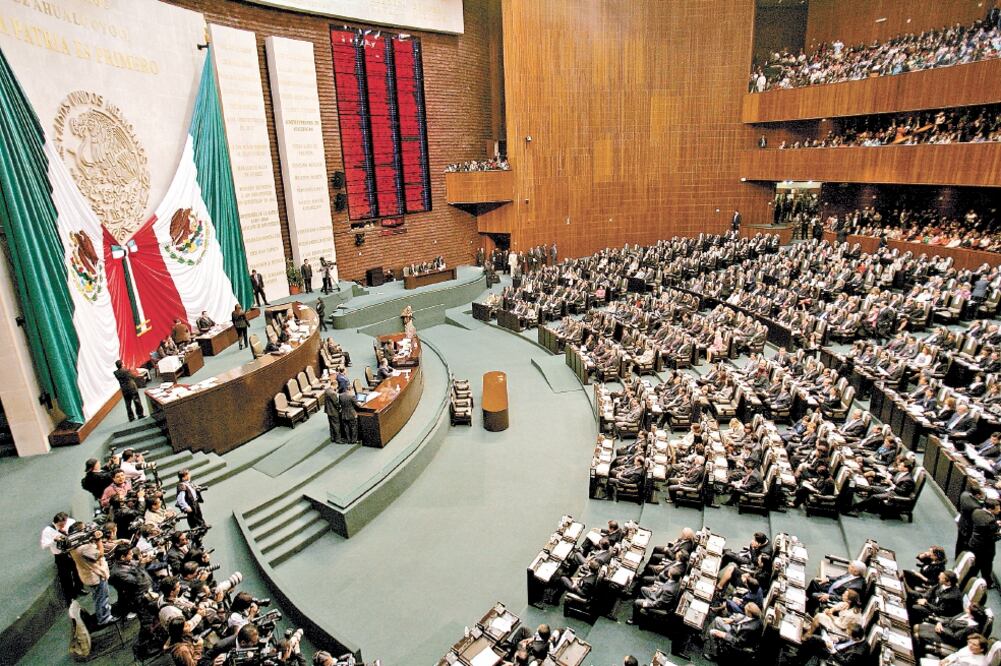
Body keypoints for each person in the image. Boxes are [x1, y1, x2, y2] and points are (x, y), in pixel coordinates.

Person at [68, 523, 116, 626]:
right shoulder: (84, 547)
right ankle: (104, 618)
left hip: (87, 574)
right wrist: (98, 540)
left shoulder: (73, 546)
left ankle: (103, 614)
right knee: (101, 598)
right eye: (85, 529)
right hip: (95, 575)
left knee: (98, 597)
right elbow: (100, 554)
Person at [41, 512, 82, 603]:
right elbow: (44, 545)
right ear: (56, 522)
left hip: (71, 551)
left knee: (77, 570)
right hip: (60, 556)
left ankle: (79, 588)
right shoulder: (48, 531)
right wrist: (54, 540)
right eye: (60, 525)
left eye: (64, 524)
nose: (63, 527)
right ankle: (70, 596)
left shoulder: (71, 522)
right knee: (65, 577)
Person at [968, 499, 1001, 585]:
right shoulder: (991, 521)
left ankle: (969, 581)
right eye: (997, 508)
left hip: (974, 542)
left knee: (974, 565)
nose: (999, 510)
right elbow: (993, 537)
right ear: (990, 509)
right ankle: (987, 582)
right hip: (985, 548)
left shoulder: (976, 511)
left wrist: (995, 524)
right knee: (986, 566)